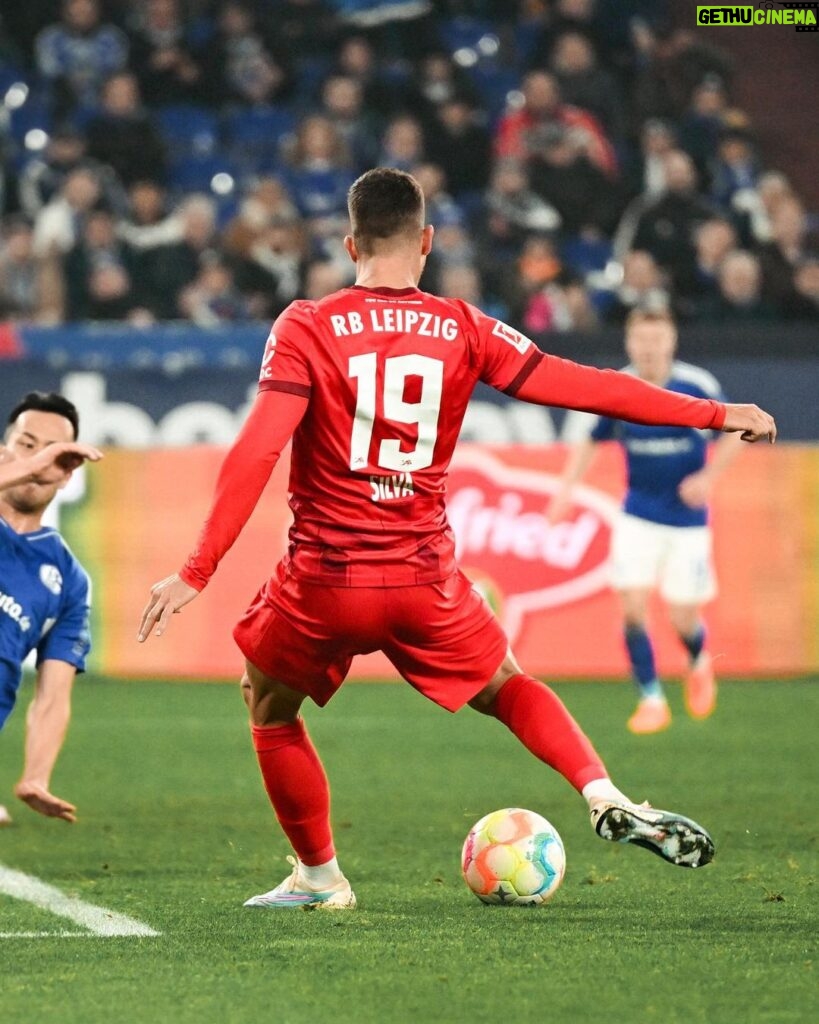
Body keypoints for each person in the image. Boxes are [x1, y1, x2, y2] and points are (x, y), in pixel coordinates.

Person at [138, 169, 775, 910]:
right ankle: (601, 789)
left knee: (268, 707)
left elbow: (255, 452)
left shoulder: (305, 325)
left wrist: (195, 570)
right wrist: (712, 412)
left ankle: (320, 877)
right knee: (507, 685)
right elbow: (588, 386)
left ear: (349, 243)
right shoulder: (464, 326)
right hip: (422, 577)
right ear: (428, 242)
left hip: (325, 578)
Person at [548, 309, 743, 735]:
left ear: (671, 341)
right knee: (633, 610)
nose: (650, 348)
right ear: (630, 343)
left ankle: (697, 659)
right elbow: (591, 440)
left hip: (687, 522)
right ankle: (651, 698)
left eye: (658, 339)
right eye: (642, 340)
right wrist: (564, 494)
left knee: (682, 619)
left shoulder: (697, 386)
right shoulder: (619, 388)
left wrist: (709, 477)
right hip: (637, 515)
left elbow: (733, 430)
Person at [0, 392, 102, 826]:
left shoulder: (69, 581)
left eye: (54, 453)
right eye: (27, 444)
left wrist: (35, 777)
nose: (40, 461)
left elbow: (52, 695)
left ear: (67, 476)